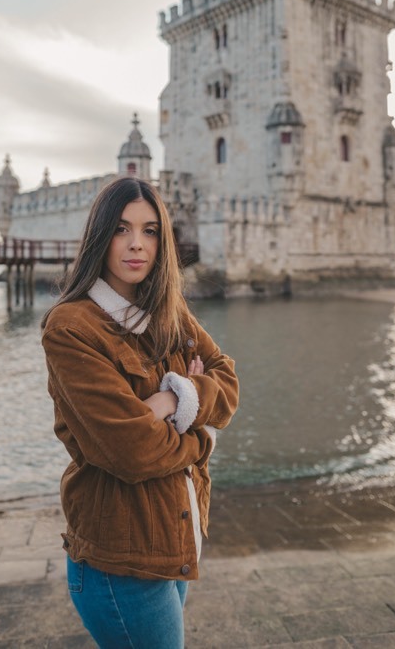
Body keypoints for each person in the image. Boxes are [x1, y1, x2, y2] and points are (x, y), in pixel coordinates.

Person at [41, 176, 239, 649]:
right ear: (99, 236)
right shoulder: (71, 327)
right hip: (118, 560)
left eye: (150, 231)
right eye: (122, 229)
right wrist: (203, 436)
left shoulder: (170, 313)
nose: (136, 244)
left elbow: (228, 384)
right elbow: (130, 451)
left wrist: (175, 399)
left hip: (176, 536)